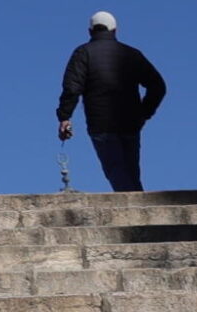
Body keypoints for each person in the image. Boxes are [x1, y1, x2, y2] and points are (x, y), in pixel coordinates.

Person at [57, 11, 166, 191]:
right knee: (130, 170)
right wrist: (144, 113)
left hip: (101, 121)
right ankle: (137, 203)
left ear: (90, 31)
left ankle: (135, 208)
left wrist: (64, 117)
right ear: (115, 30)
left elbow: (72, 88)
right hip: (130, 121)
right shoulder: (132, 54)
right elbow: (158, 86)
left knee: (116, 169)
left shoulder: (83, 53)